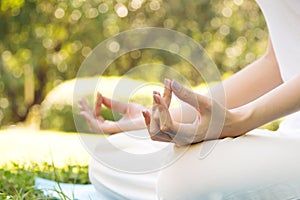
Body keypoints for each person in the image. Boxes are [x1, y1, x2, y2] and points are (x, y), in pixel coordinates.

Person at [79, 0, 300, 199]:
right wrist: (169, 117)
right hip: (290, 137)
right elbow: (275, 63)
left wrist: (239, 121)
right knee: (112, 156)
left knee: (178, 181)